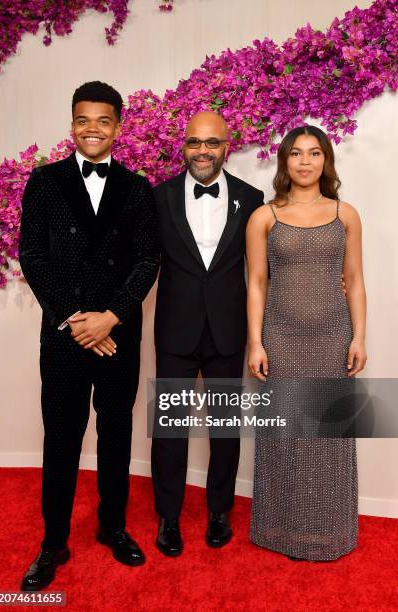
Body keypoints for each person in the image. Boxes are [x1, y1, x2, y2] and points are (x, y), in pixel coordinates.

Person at [19, 81, 159, 590]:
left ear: (119, 127)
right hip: (64, 335)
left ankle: (113, 527)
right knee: (61, 438)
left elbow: (148, 260)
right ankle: (52, 543)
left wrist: (110, 318)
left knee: (116, 435)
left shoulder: (137, 187)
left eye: (103, 120)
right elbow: (31, 254)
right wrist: (77, 319)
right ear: (71, 124)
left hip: (117, 335)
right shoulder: (45, 181)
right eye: (83, 119)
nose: (92, 128)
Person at [246, 125, 367, 561]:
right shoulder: (264, 217)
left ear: (325, 160)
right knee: (283, 437)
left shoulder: (345, 213)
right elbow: (257, 283)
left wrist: (360, 336)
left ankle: (329, 533)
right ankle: (279, 531)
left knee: (328, 434)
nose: (304, 161)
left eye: (314, 153)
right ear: (284, 161)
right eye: (295, 153)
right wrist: (255, 343)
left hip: (333, 337)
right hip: (281, 338)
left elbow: (354, 281)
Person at [151, 111, 264, 556]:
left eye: (212, 142)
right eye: (195, 142)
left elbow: (262, 269)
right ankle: (168, 517)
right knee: (171, 430)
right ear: (184, 146)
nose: (203, 150)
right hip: (175, 331)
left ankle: (219, 512)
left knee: (225, 429)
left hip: (228, 331)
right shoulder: (157, 197)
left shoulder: (251, 198)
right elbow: (140, 261)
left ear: (226, 145)